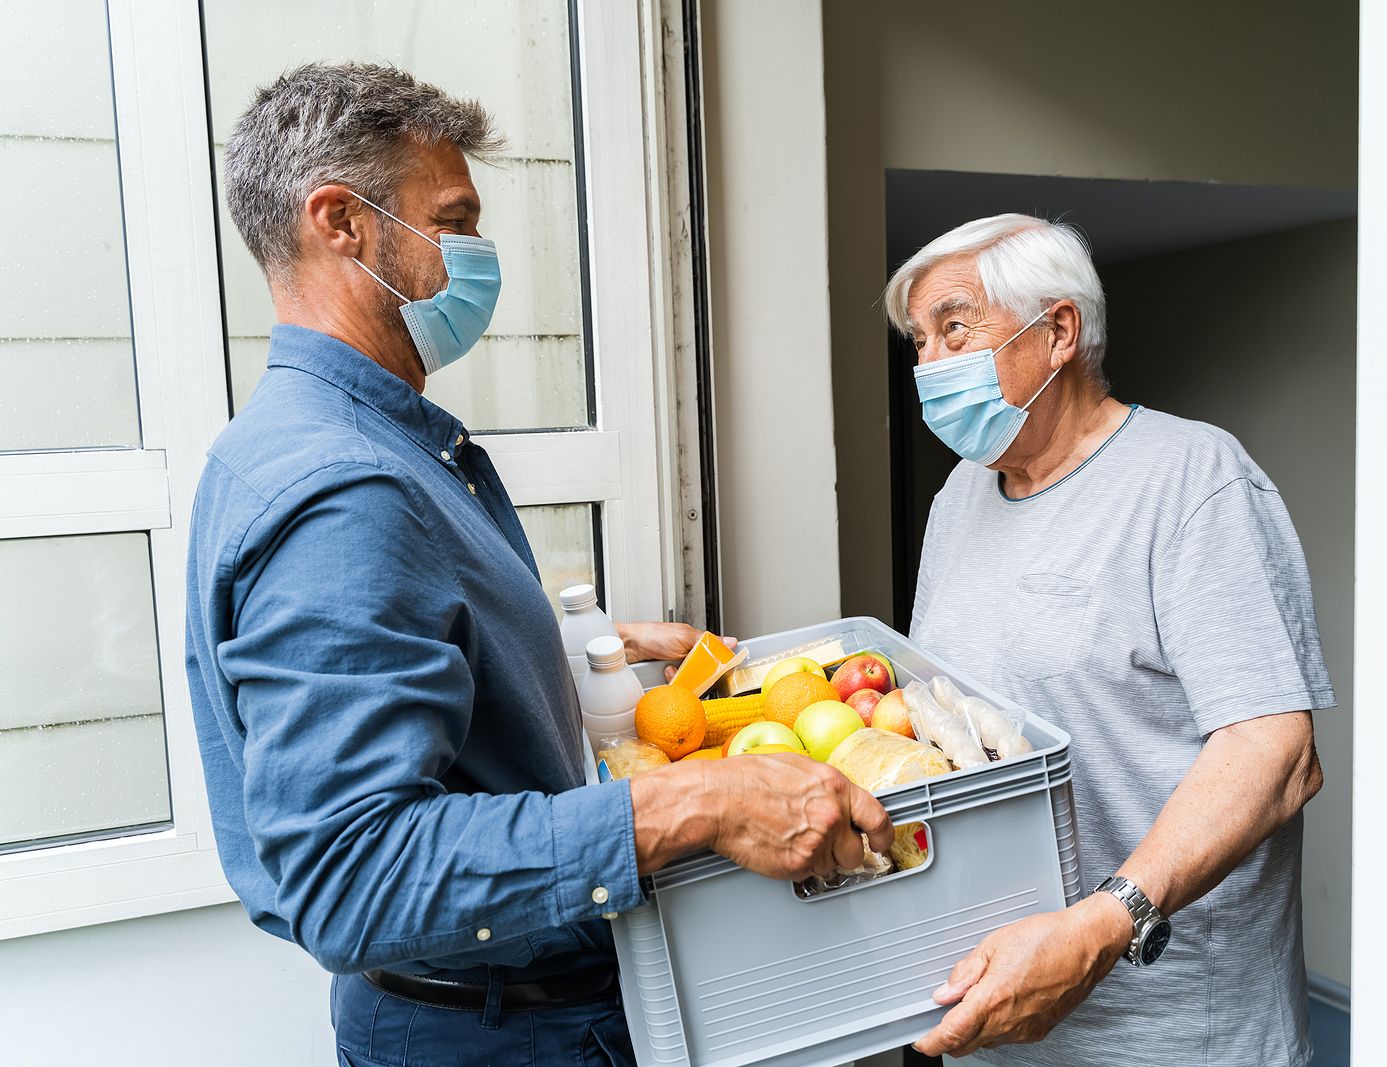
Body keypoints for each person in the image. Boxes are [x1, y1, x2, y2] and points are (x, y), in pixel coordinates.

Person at [185, 63, 891, 1067]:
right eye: (453, 218)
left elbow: (410, 695)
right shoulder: (347, 492)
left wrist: (564, 662)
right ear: (340, 222)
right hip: (502, 1030)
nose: (476, 254)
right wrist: (695, 800)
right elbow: (354, 874)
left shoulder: (292, 445)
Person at [886, 214, 1333, 1066]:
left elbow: (1277, 751)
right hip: (999, 1017)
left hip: (1168, 1033)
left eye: (954, 327)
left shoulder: (1194, 479)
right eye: (919, 342)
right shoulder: (958, 500)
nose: (929, 367)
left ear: (1057, 331)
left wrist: (1105, 923)